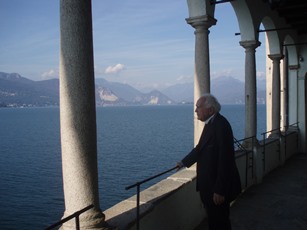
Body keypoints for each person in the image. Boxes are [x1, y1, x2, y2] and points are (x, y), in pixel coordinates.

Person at [176, 93, 241, 230]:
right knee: (215, 221)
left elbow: (226, 160)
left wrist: (220, 190)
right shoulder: (211, 123)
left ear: (210, 110)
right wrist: (183, 162)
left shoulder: (221, 125)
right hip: (210, 187)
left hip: (216, 189)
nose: (195, 110)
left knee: (220, 222)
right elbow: (200, 149)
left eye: (198, 107)